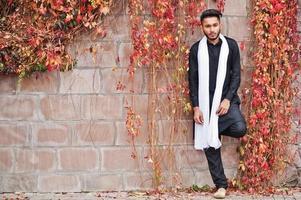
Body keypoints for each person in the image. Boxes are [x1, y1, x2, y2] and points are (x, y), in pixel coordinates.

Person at [188, 9, 247, 199]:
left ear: (219, 24)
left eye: (215, 25)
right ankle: (221, 186)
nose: (212, 29)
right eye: (208, 26)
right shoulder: (196, 49)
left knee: (239, 128)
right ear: (202, 27)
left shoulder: (231, 46)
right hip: (205, 105)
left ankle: (214, 131)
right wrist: (196, 107)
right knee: (210, 145)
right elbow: (193, 80)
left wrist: (228, 99)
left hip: (225, 102)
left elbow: (236, 75)